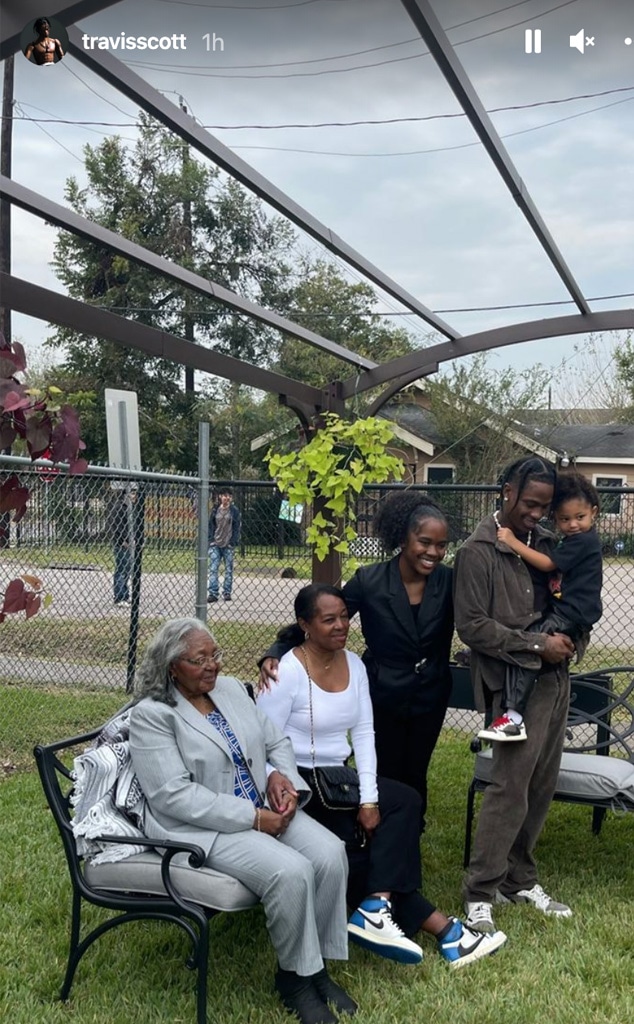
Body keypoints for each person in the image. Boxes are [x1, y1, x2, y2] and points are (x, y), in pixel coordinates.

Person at [258, 584, 507, 970]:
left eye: (344, 616)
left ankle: (377, 906)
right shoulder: (284, 672)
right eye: (329, 620)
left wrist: (370, 799)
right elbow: (262, 744)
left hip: (340, 780)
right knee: (360, 855)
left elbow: (363, 734)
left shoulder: (355, 665)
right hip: (300, 785)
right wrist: (280, 782)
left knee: (403, 801)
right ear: (305, 624)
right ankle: (446, 933)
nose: (341, 625)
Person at [129, 618, 355, 1024]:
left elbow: (274, 740)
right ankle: (294, 980)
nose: (213, 666)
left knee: (330, 853)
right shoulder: (153, 715)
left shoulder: (231, 689)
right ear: (171, 667)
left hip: (259, 806)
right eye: (200, 660)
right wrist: (254, 818)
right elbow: (172, 796)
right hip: (201, 828)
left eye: (215, 655)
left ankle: (316, 968)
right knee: (291, 871)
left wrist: (281, 777)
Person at [260, 492, 454, 832]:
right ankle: (373, 826)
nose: (433, 552)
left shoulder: (450, 581)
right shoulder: (371, 580)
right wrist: (275, 652)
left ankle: (408, 832)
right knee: (383, 766)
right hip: (383, 690)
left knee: (416, 767)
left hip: (430, 691)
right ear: (403, 538)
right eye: (425, 542)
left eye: (441, 545)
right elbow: (323, 618)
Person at [453, 456, 576, 936]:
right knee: (509, 788)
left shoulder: (549, 545)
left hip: (554, 680)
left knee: (541, 784)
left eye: (544, 507)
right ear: (506, 491)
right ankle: (481, 891)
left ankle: (519, 878)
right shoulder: (478, 550)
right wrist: (535, 645)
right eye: (529, 504)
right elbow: (472, 626)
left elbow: (573, 603)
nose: (536, 515)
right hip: (511, 689)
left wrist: (568, 643)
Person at [482, 471, 603, 742]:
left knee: (530, 641)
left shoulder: (583, 541)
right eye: (564, 519)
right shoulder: (575, 539)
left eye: (579, 517)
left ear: (593, 513)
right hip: (568, 611)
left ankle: (513, 719)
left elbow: (548, 564)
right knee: (534, 642)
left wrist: (512, 542)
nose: (572, 524)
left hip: (571, 613)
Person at [207, 489, 241, 603]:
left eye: (229, 496)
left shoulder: (234, 511)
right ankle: (213, 593)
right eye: (225, 495)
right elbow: (210, 525)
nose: (227, 498)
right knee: (213, 568)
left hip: (228, 544)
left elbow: (236, 527)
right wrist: (211, 540)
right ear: (220, 496)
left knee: (228, 569)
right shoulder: (215, 509)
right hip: (215, 543)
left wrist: (232, 542)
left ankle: (227, 592)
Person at [110, 483, 138, 606]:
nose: (134, 496)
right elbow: (117, 527)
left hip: (129, 544)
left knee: (127, 570)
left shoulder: (130, 509)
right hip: (121, 544)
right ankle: (119, 596)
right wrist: (123, 541)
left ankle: (125, 594)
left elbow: (133, 527)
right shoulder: (119, 508)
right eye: (131, 493)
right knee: (121, 569)